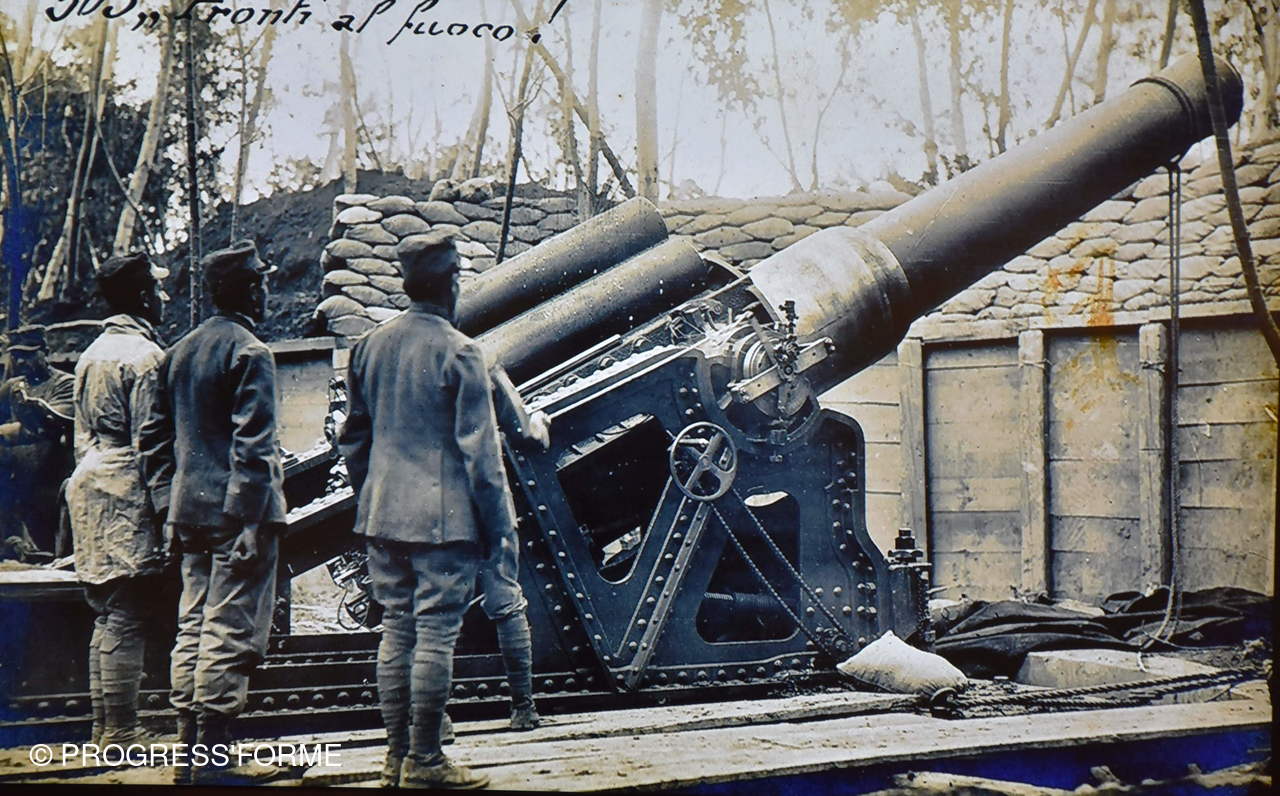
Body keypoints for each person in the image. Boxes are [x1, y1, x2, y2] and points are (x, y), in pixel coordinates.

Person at [338, 232, 511, 789]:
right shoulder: (461, 352)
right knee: (436, 634)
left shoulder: (368, 346)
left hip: (382, 516)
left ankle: (395, 758)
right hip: (443, 522)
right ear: (452, 283)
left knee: (396, 629)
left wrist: (373, 498)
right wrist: (499, 528)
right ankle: (428, 760)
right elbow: (481, 456)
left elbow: (353, 440)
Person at [139, 240, 287, 785]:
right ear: (250, 290)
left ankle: (188, 754)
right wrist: (248, 520)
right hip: (236, 518)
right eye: (261, 282)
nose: (266, 291)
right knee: (231, 629)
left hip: (189, 517)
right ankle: (216, 762)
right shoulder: (251, 353)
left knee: (194, 624)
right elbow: (254, 447)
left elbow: (153, 440)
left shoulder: (177, 353)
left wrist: (167, 508)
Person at [65, 253, 170, 747]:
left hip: (91, 480)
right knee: (129, 610)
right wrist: (164, 506)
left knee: (108, 611)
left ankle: (104, 728)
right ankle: (123, 731)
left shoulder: (91, 353)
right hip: (128, 486)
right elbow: (152, 442)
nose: (164, 297)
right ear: (144, 298)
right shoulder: (145, 357)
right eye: (158, 290)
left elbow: (81, 437)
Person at [483, 364, 550, 731]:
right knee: (506, 597)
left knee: (435, 609)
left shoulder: (392, 363)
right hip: (486, 501)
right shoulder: (480, 361)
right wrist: (539, 421)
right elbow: (526, 434)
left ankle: (437, 721)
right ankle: (523, 708)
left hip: (431, 506)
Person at [0, 324, 75, 556]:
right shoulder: (13, 387)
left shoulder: (66, 384)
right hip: (19, 480)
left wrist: (6, 432)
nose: (22, 362)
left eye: (29, 354)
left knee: (57, 546)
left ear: (46, 352)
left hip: (51, 480)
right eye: (17, 356)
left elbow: (45, 427)